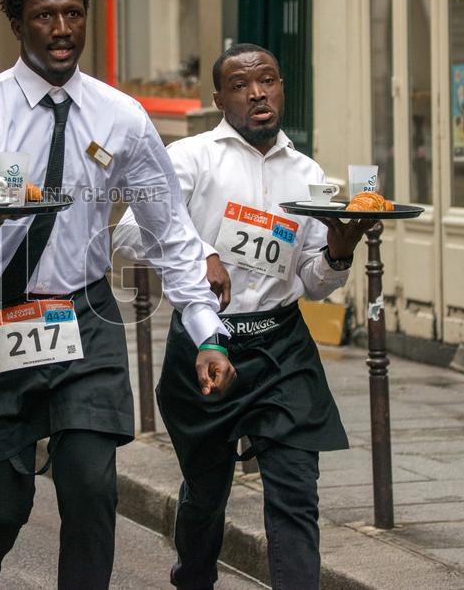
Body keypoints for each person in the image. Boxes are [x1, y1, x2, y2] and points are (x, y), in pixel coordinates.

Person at [0, 0, 235, 590]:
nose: (62, 28)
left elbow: (171, 232)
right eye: (45, 16)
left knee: (92, 485)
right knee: (3, 504)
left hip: (81, 318)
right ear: (18, 24)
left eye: (73, 13)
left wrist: (207, 332)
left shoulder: (121, 117)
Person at [114, 43, 374, 589]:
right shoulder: (189, 159)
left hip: (282, 347)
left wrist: (338, 252)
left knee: (297, 492)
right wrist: (198, 252)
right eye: (241, 84)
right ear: (219, 98)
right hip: (209, 345)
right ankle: (193, 576)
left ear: (282, 87)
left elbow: (311, 281)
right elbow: (129, 235)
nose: (257, 92)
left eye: (269, 81)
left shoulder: (308, 174)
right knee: (206, 494)